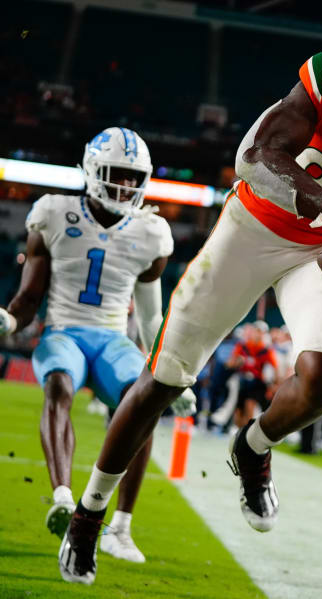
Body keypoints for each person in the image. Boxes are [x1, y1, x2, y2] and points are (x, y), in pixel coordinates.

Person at [61, 10, 322, 585]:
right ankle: (88, 514)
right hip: (254, 228)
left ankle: (253, 446)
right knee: (163, 380)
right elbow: (255, 159)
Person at [0, 128, 193, 572]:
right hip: (65, 331)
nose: (125, 187)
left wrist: (169, 374)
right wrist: (10, 320)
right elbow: (28, 298)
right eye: (116, 175)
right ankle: (64, 498)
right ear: (92, 171)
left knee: (142, 401)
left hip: (113, 339)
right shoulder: (52, 213)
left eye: (132, 178)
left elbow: (149, 320)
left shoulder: (151, 232)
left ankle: (121, 527)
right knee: (59, 387)